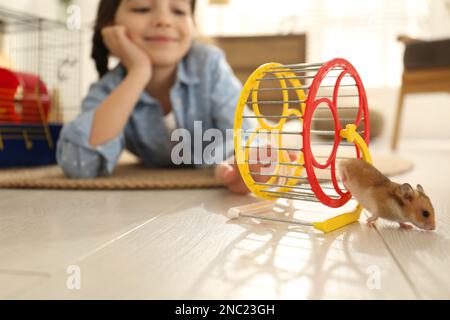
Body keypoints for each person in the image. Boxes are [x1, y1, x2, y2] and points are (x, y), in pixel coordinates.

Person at [56, 0, 263, 194]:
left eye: (179, 11)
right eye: (142, 8)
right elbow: (80, 162)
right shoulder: (109, 89)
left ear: (192, 26)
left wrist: (233, 160)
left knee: (280, 137)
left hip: (231, 149)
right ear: (110, 25)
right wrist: (139, 71)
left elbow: (246, 132)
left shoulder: (208, 64)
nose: (164, 20)